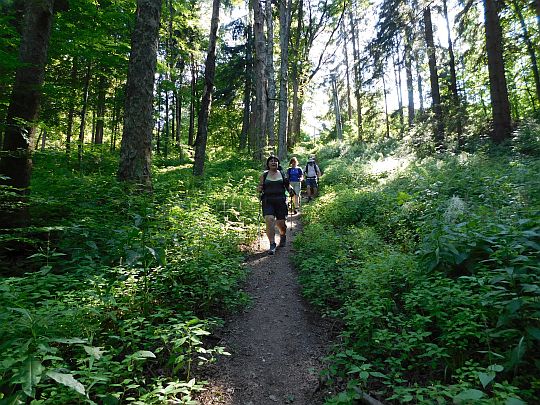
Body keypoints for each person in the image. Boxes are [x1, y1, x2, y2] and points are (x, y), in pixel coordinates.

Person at [257, 156, 295, 255]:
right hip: (267, 200)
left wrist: (290, 190)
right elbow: (260, 186)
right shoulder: (264, 175)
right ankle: (272, 244)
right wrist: (259, 189)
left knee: (281, 224)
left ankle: (283, 235)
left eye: (275, 161)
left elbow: (287, 185)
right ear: (268, 164)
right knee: (269, 219)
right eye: (271, 161)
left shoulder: (282, 174)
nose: (273, 162)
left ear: (278, 163)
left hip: (281, 200)